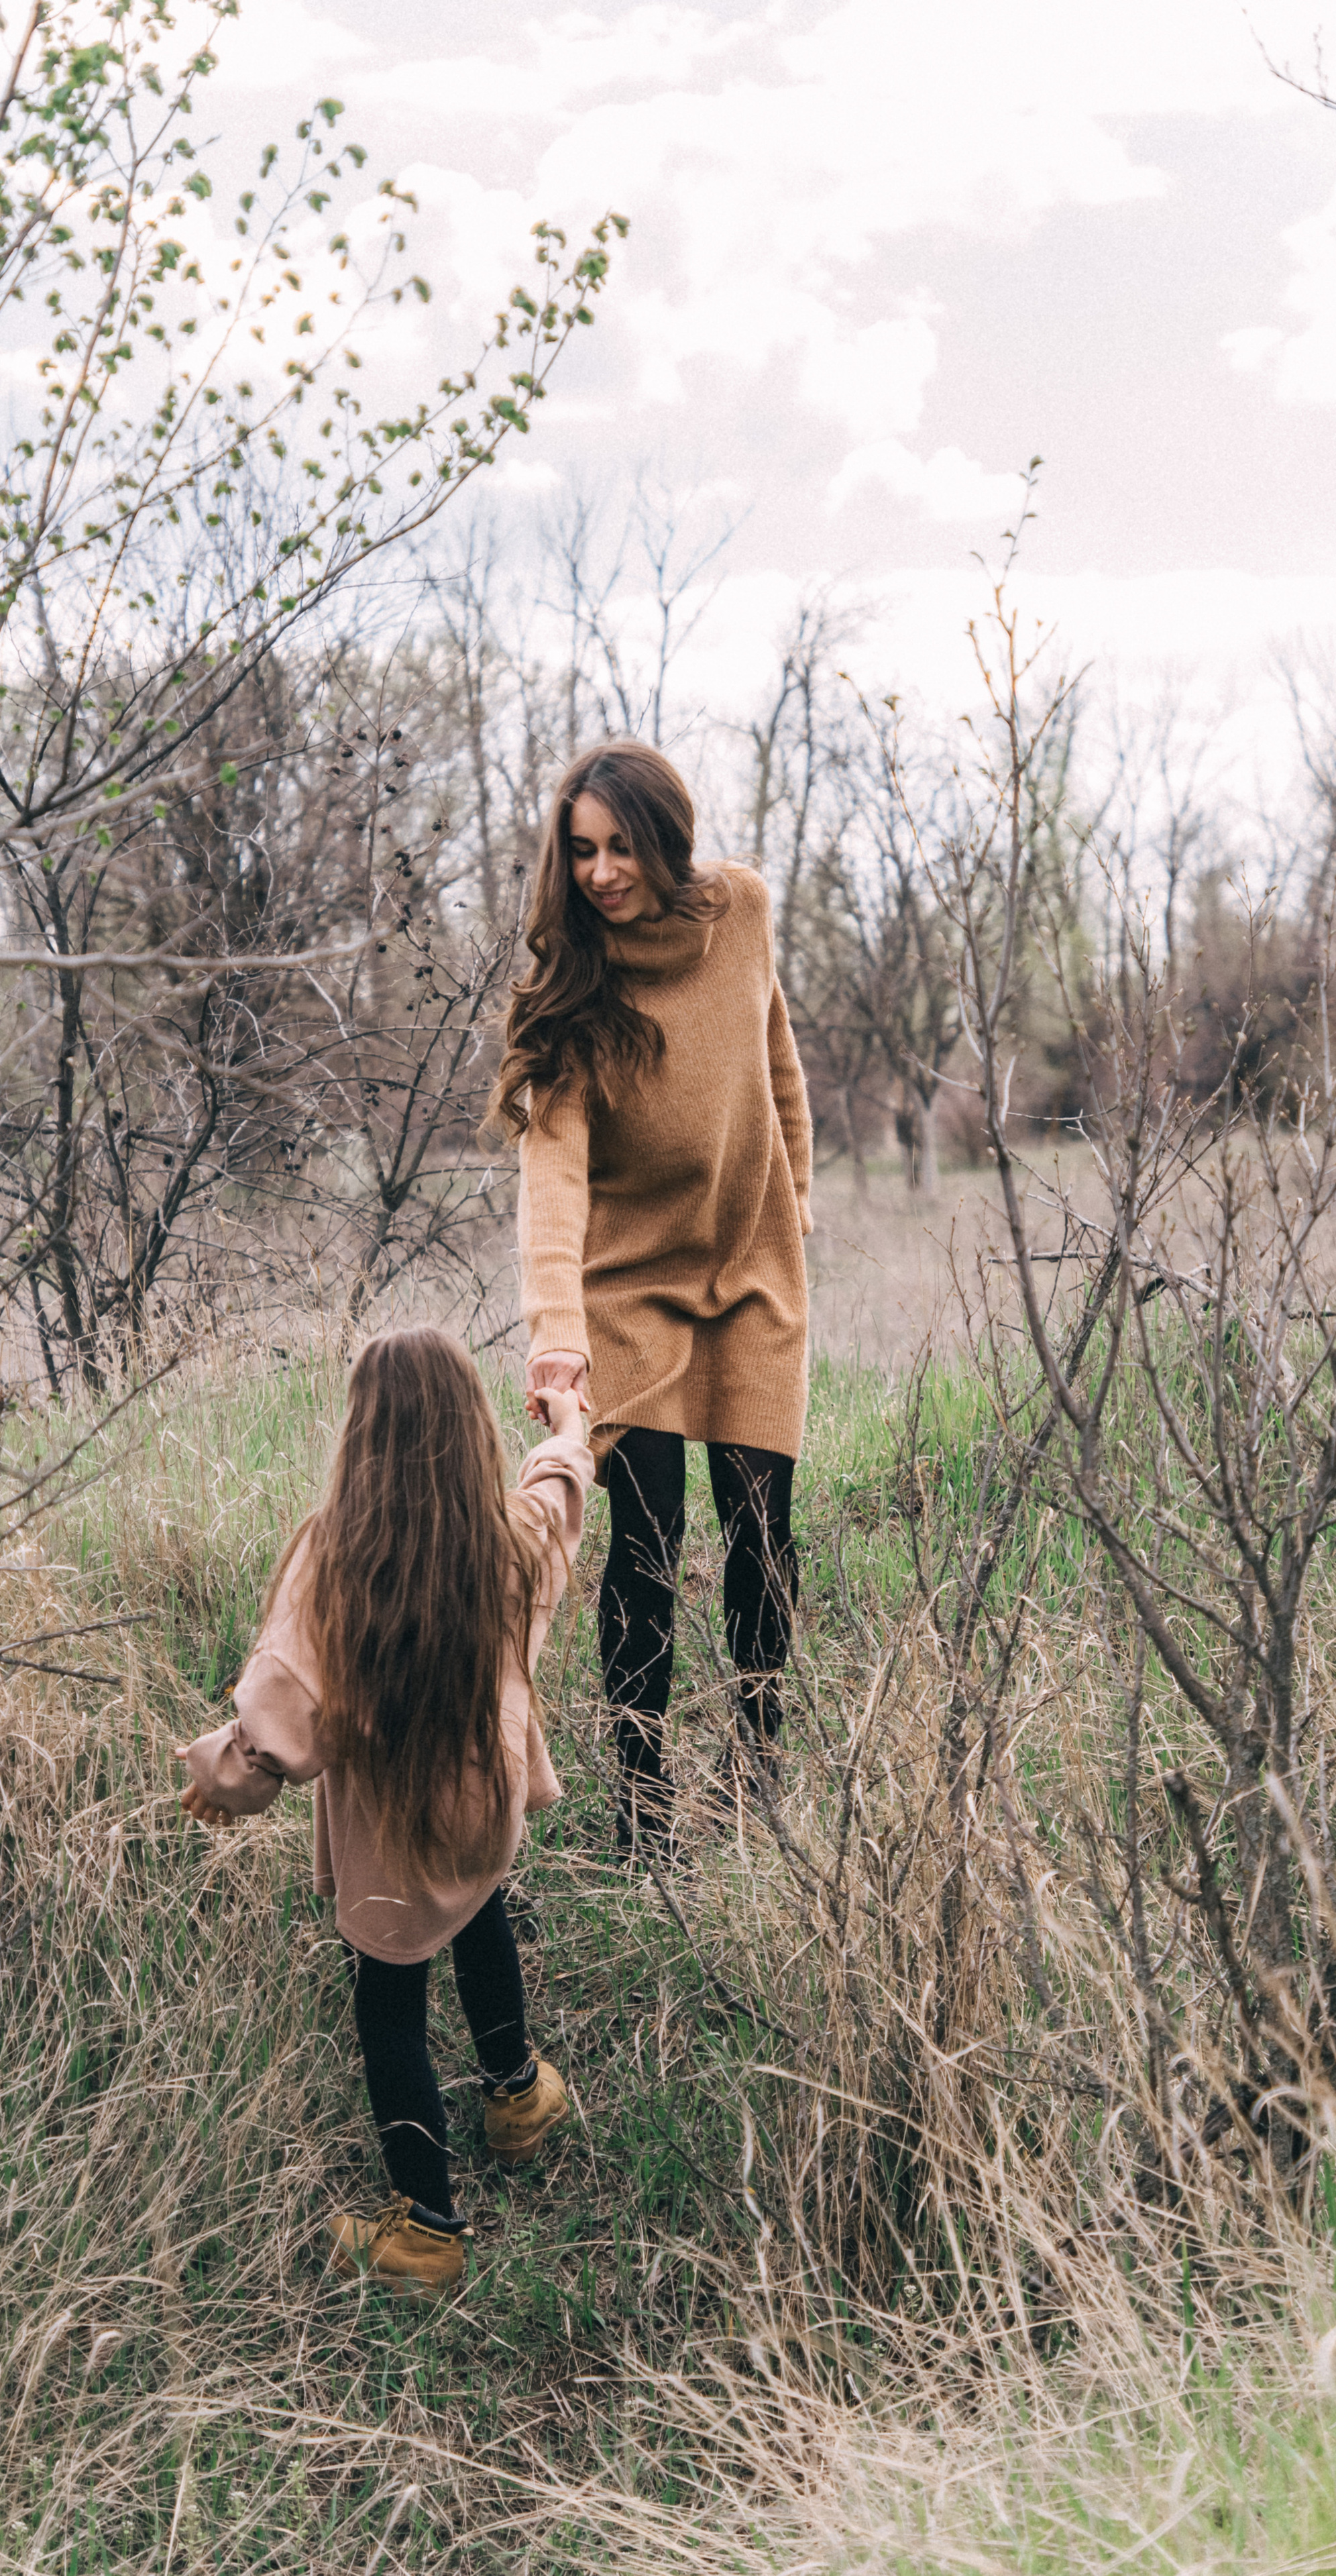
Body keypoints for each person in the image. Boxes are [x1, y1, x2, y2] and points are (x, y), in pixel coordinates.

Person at [175, 1328, 594, 2295]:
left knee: (390, 2007)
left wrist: (222, 1775)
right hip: (484, 1815)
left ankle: (429, 2230)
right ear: (469, 1427)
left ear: (360, 1430)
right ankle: (517, 2096)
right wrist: (570, 1424)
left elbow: (282, 1716)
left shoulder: (335, 1559)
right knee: (481, 1906)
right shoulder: (507, 1541)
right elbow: (559, 1496)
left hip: (392, 1838)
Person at [494, 739, 812, 1854]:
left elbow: (778, 1059)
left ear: (667, 840)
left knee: (762, 1532)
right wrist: (557, 1340)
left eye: (622, 846)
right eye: (581, 850)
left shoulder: (744, 913)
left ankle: (760, 1768)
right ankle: (642, 1805)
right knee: (645, 1541)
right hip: (627, 1290)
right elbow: (552, 1177)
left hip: (754, 1278)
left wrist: (795, 1209)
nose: (601, 872)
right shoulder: (574, 992)